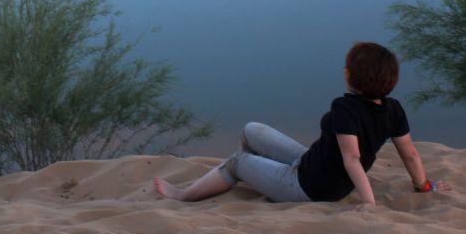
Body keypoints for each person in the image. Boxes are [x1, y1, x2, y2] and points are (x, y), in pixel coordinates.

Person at [153, 42, 450, 208]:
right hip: (309, 163)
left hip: (310, 187)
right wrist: (423, 185)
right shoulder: (393, 108)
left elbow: (353, 158)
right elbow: (410, 153)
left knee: (237, 162)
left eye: (347, 66)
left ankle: (185, 194)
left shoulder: (344, 107)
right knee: (250, 130)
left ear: (352, 76)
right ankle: (250, 175)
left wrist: (368, 203)